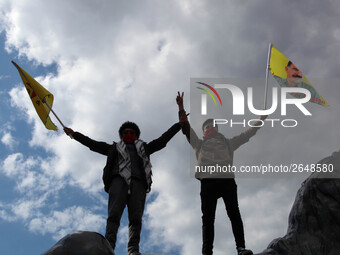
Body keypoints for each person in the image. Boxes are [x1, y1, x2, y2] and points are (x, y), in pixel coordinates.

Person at [64, 118, 184, 255]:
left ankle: (133, 250)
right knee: (113, 216)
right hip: (118, 181)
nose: (128, 134)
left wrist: (178, 125)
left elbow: (162, 140)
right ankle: (108, 247)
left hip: (138, 183)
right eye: (125, 132)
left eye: (131, 132)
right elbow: (93, 144)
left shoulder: (144, 148)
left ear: (136, 135)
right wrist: (74, 134)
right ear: (121, 135)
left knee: (136, 219)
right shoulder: (113, 148)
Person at [176, 92, 266, 255]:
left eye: (213, 126)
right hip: (208, 182)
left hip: (226, 180)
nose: (210, 128)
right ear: (204, 132)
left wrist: (261, 119)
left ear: (217, 129)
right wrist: (181, 108)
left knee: (234, 213)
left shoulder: (228, 142)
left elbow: (247, 134)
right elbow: (186, 127)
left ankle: (241, 248)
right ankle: (207, 252)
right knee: (208, 219)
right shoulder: (199, 144)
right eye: (207, 127)